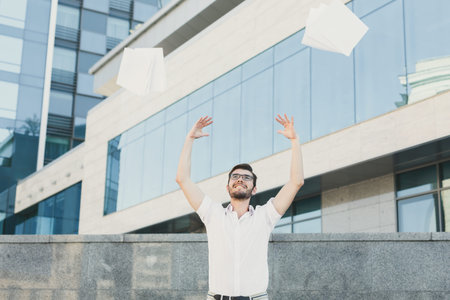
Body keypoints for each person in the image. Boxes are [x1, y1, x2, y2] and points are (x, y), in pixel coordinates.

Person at [176, 114, 304, 300]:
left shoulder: (265, 216)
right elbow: (182, 179)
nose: (240, 179)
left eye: (246, 177)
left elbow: (296, 182)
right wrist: (189, 139)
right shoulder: (213, 213)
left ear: (254, 189)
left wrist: (295, 141)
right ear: (228, 187)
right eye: (235, 177)